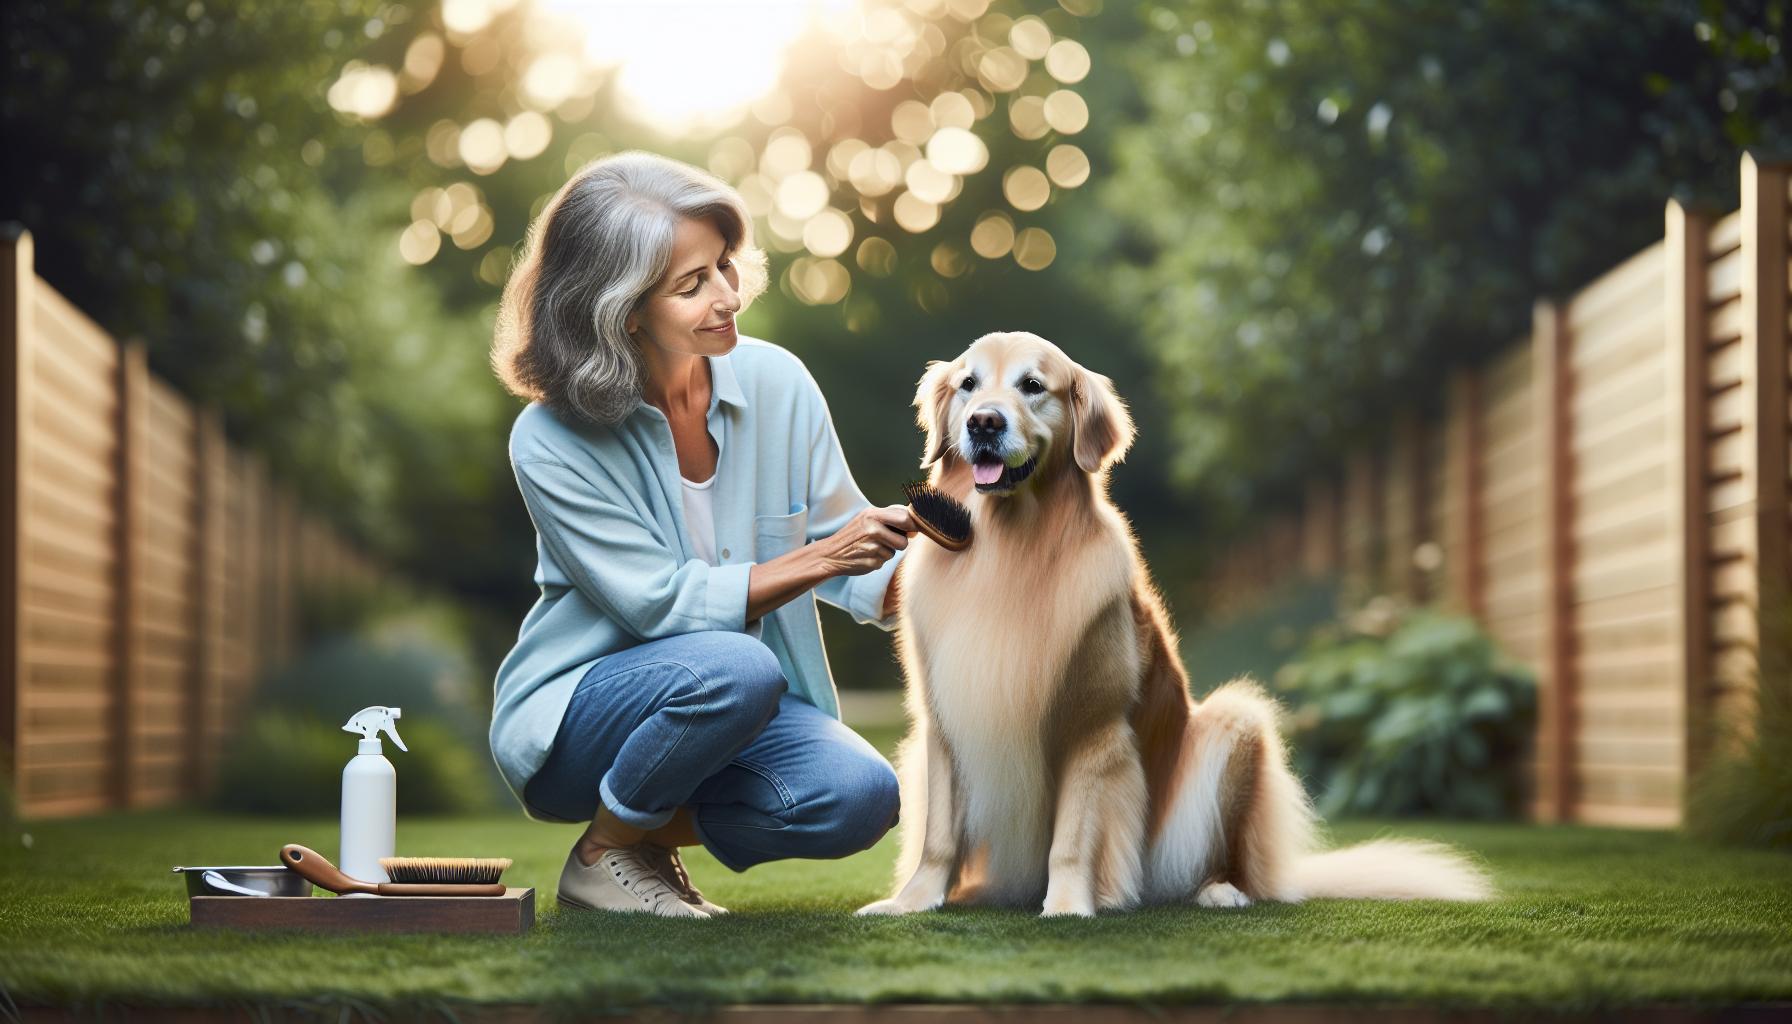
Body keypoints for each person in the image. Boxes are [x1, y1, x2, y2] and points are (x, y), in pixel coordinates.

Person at [488, 151, 913, 917]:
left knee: (862, 795)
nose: (728, 296)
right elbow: (660, 606)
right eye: (692, 285)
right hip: (579, 720)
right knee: (736, 665)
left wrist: (967, 565)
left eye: (723, 265)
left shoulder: (779, 382)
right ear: (622, 310)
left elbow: (858, 560)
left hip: (738, 697)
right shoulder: (549, 439)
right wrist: (824, 557)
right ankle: (601, 853)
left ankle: (639, 837)